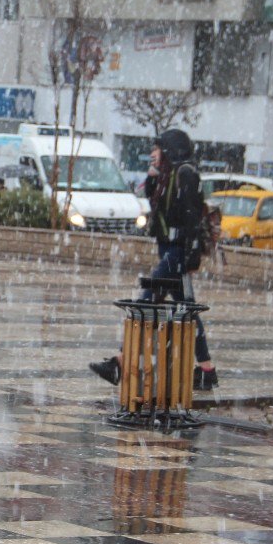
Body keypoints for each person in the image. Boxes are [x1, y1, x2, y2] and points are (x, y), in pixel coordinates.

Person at [90, 128, 217, 391]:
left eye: (156, 149)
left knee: (144, 301)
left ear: (168, 151)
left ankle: (122, 362)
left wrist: (190, 257)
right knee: (187, 310)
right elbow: (160, 212)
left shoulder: (185, 174)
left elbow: (192, 217)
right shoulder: (168, 176)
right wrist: (151, 182)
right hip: (171, 250)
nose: (151, 154)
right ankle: (207, 371)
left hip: (177, 253)